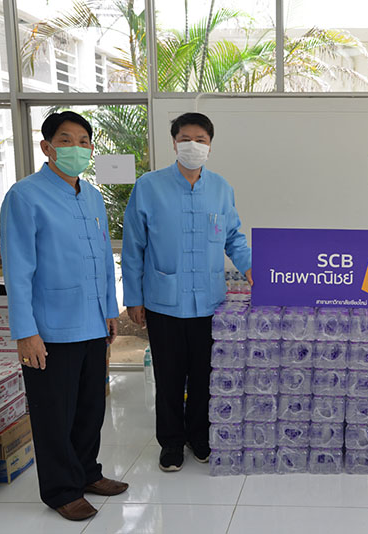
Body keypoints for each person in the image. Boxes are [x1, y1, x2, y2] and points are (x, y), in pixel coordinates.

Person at [0, 111, 128, 521]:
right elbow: (18, 270)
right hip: (51, 328)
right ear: (47, 147)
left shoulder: (91, 196)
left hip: (92, 322)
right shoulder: (25, 196)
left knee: (91, 408)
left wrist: (110, 310)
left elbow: (103, 259)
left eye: (84, 141)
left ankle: (87, 473)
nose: (77, 148)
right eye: (67, 140)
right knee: (54, 414)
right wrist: (25, 332)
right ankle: (60, 490)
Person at [122, 112, 252, 472]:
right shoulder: (149, 187)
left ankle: (199, 436)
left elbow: (233, 238)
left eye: (201, 140)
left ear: (210, 146)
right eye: (185, 139)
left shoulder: (221, 188)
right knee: (168, 377)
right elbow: (133, 246)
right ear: (174, 142)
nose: (193, 146)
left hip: (209, 302)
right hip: (164, 301)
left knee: (203, 376)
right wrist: (133, 298)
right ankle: (171, 443)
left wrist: (252, 268)